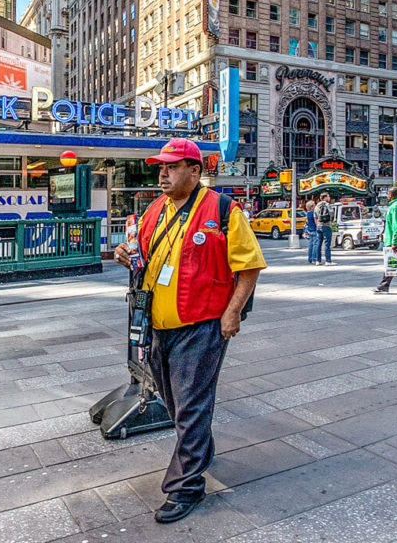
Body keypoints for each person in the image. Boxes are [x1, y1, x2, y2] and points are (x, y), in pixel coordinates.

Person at [113, 138, 266, 522]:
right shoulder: (153, 210)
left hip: (202, 326)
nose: (162, 173)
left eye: (172, 166)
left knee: (191, 405)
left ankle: (185, 487)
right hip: (158, 327)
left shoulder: (223, 209)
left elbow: (249, 267)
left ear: (194, 171)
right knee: (176, 401)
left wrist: (232, 314)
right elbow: (143, 260)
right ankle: (201, 452)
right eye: (160, 166)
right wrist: (125, 257)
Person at [314, 192, 334, 265]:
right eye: (328, 196)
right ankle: (328, 261)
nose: (329, 198)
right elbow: (332, 214)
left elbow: (315, 216)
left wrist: (317, 225)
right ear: (325, 197)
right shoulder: (328, 205)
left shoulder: (317, 206)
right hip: (327, 225)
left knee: (318, 244)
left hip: (319, 226)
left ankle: (318, 260)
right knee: (327, 244)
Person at [305, 200, 320, 264]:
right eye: (314, 205)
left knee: (311, 244)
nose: (315, 205)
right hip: (314, 229)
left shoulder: (308, 213)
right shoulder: (313, 212)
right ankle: (314, 258)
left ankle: (310, 258)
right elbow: (316, 220)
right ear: (311, 206)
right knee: (315, 244)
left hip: (310, 229)